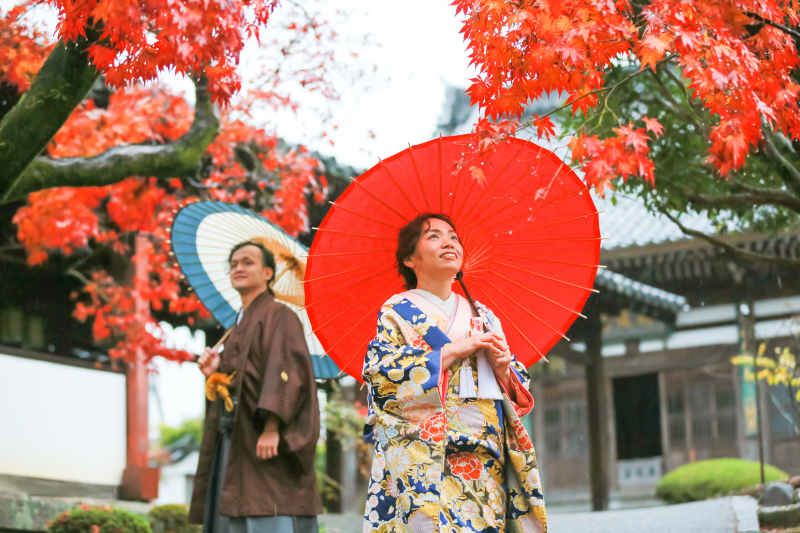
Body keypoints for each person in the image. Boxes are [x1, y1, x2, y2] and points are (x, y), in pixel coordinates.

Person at [362, 213, 547, 533]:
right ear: (410, 259)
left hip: (484, 453)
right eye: (433, 236)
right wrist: (453, 350)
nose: (448, 243)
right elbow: (383, 376)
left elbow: (517, 388)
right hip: (424, 455)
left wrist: (503, 369)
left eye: (453, 237)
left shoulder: (483, 314)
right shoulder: (396, 311)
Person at [189, 241, 322, 533]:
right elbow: (241, 379)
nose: (238, 268)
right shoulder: (239, 322)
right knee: (234, 505)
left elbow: (286, 372)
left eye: (247, 262)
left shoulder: (279, 315)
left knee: (264, 504)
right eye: (233, 264)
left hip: (264, 434)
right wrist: (215, 372)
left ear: (267, 273)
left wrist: (272, 427)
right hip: (236, 434)